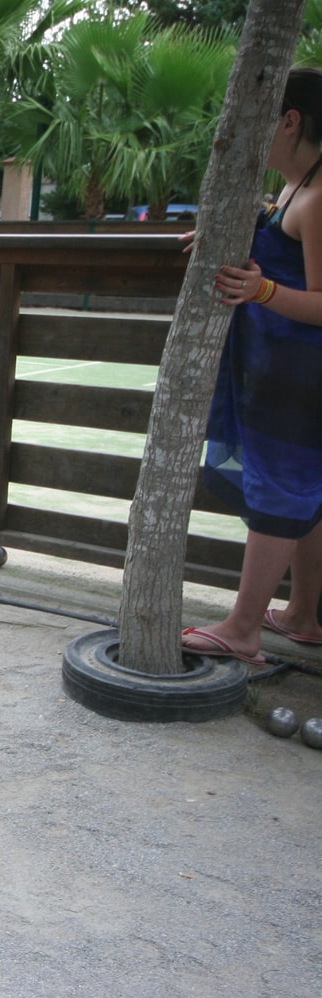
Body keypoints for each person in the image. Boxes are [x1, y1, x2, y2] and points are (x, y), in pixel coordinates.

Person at [180, 67, 322, 663]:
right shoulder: (294, 188)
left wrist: (260, 293)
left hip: (299, 380)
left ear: (289, 121)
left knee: (281, 491)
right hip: (275, 371)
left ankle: (243, 627)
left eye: (260, 118)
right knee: (307, 496)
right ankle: (303, 614)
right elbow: (276, 257)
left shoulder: (318, 198)